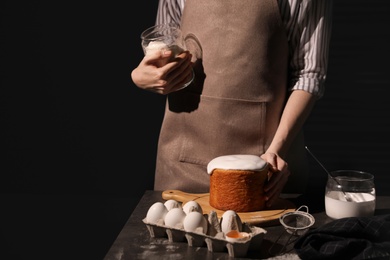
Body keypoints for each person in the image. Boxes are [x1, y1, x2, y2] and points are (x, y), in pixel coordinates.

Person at [131, 0, 333, 207]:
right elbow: (165, 49)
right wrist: (144, 76)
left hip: (264, 165)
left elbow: (309, 75)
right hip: (182, 160)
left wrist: (276, 152)